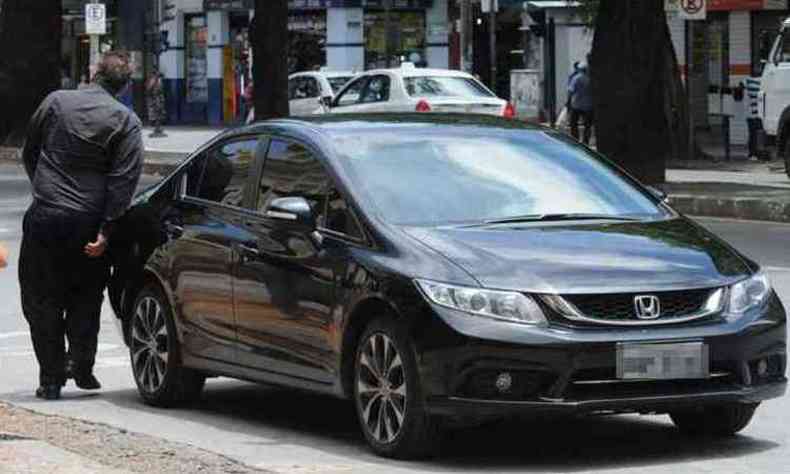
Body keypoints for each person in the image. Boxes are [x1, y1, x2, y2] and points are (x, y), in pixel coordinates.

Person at [19, 51, 143, 400]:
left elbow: (30, 151)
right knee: (86, 295)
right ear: (124, 87)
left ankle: (51, 377)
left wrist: (43, 188)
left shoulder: (56, 102)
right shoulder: (125, 121)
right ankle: (83, 364)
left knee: (41, 298)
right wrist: (106, 230)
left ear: (93, 73)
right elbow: (124, 181)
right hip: (89, 223)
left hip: (46, 216)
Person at [568, 57, 594, 145]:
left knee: (573, 124)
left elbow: (571, 91)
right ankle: (585, 141)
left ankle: (575, 140)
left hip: (576, 105)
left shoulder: (576, 78)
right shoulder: (591, 79)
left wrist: (568, 102)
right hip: (588, 106)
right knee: (587, 126)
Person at [745, 67, 766, 161]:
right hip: (754, 113)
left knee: (756, 134)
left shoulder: (748, 80)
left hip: (759, 113)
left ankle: (757, 153)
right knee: (753, 134)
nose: (756, 70)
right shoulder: (748, 80)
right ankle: (753, 153)